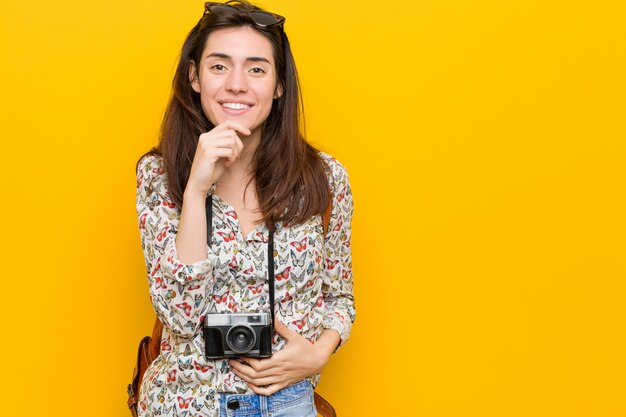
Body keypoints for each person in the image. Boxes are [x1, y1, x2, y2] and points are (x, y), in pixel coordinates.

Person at [134, 1, 355, 416]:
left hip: (288, 404)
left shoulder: (324, 179)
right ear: (194, 77)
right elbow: (180, 317)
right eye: (219, 66)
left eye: (256, 68)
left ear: (279, 85)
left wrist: (319, 353)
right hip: (187, 403)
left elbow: (339, 296)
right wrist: (198, 188)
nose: (237, 84)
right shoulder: (160, 176)